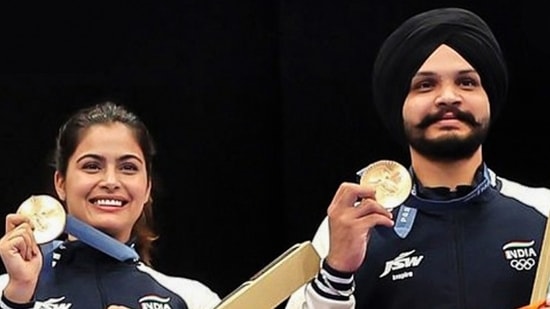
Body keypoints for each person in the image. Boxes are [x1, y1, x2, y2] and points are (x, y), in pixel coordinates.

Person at [285, 7, 550, 309]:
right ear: (399, 104)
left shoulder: (544, 212)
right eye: (425, 85)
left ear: (489, 97)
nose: (448, 97)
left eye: (467, 82)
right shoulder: (351, 227)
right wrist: (336, 273)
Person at [0, 102, 221, 308]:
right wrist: (18, 297)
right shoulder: (7, 290)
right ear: (61, 183)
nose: (111, 182)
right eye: (92, 166)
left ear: (146, 189)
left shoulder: (195, 299)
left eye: (128, 168)